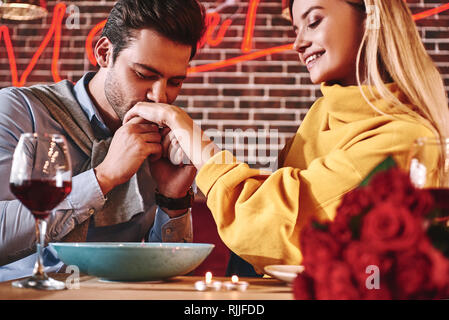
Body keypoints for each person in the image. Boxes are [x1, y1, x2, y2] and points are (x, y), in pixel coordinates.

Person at [122, 0, 449, 274]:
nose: (298, 43)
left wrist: (190, 136)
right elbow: (276, 196)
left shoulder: (405, 140)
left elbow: (268, 223)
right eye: (296, 29)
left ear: (371, 19)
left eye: (314, 21)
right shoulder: (322, 114)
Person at [0, 0, 206, 281]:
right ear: (104, 52)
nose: (160, 97)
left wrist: (173, 198)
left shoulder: (161, 141)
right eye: (144, 75)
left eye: (175, 82)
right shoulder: (18, 110)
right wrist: (104, 177)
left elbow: (164, 271)